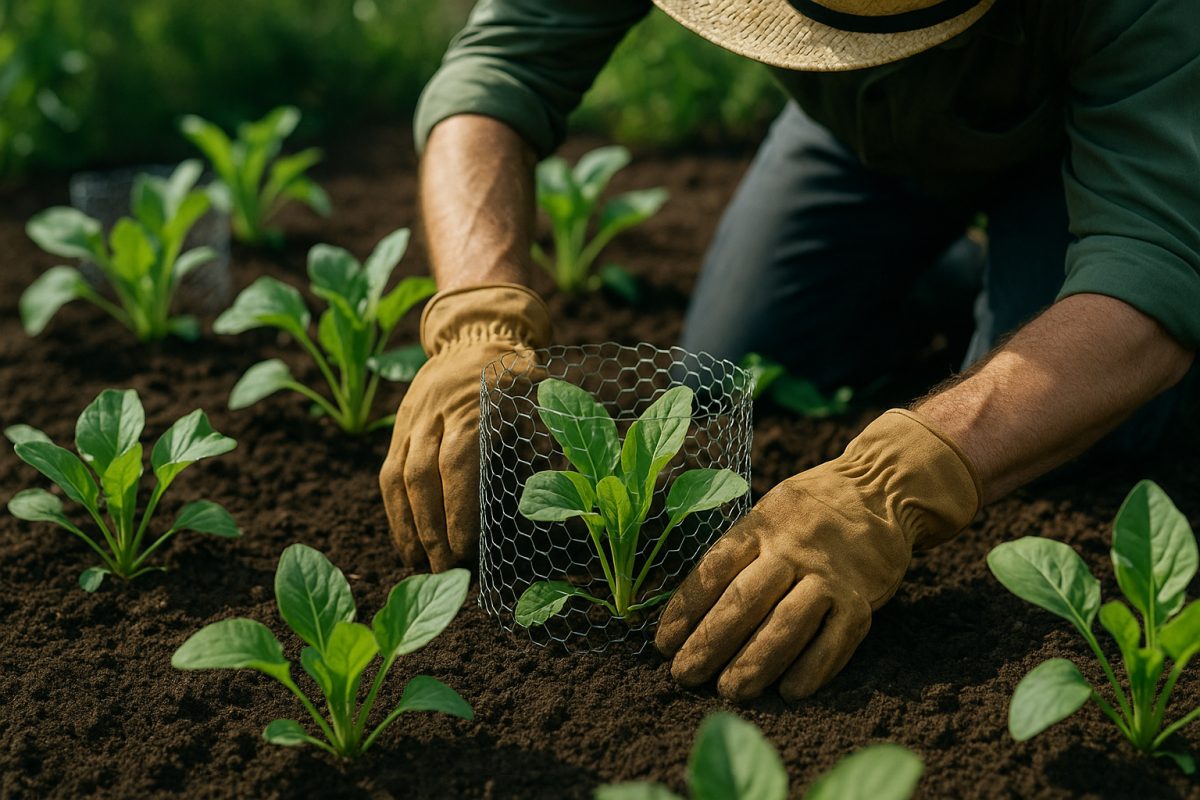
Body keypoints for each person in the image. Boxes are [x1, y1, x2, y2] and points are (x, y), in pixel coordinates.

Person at [380, 0, 1199, 702]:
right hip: (855, 127)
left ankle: (1041, 298)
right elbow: (497, 71)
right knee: (744, 362)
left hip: (1101, 141)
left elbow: (1150, 261)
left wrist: (896, 480)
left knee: (1095, 427)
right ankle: (993, 300)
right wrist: (477, 318)